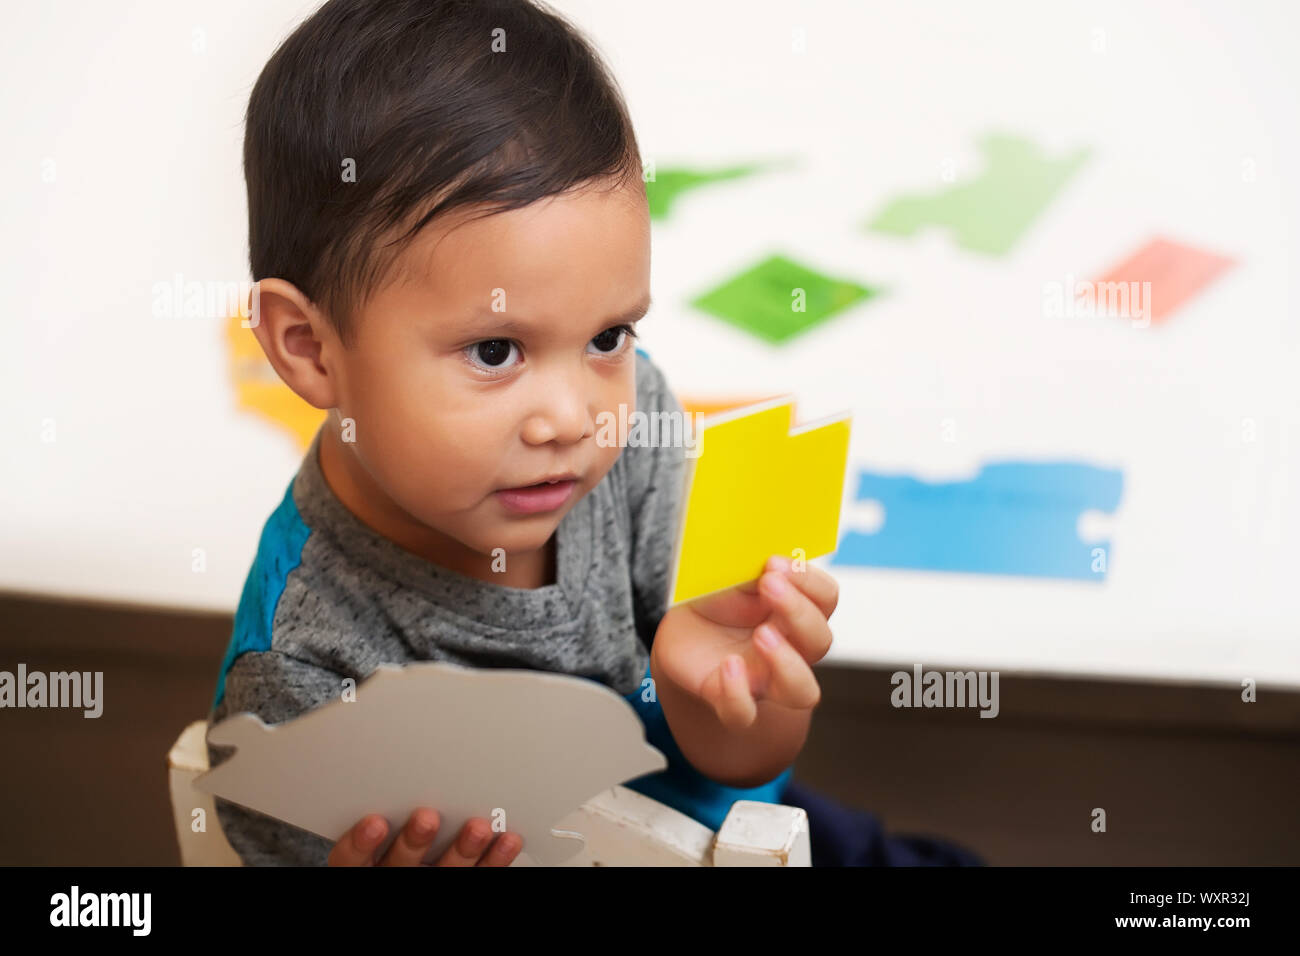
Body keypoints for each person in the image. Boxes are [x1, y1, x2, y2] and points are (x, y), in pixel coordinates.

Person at [208, 0, 980, 868]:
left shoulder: (636, 423)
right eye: (496, 351)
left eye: (608, 338)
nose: (574, 418)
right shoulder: (300, 676)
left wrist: (740, 704)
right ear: (311, 349)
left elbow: (738, 776)